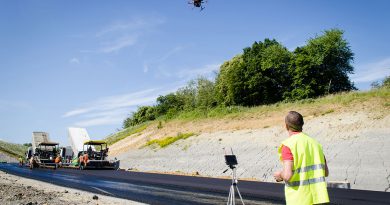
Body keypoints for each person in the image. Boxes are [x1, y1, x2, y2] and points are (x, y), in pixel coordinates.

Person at [273, 111, 329, 205]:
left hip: (299, 199)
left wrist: (280, 175)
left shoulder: (288, 145)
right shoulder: (315, 144)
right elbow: (325, 172)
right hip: (319, 199)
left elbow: (287, 175)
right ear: (302, 124)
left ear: (286, 126)